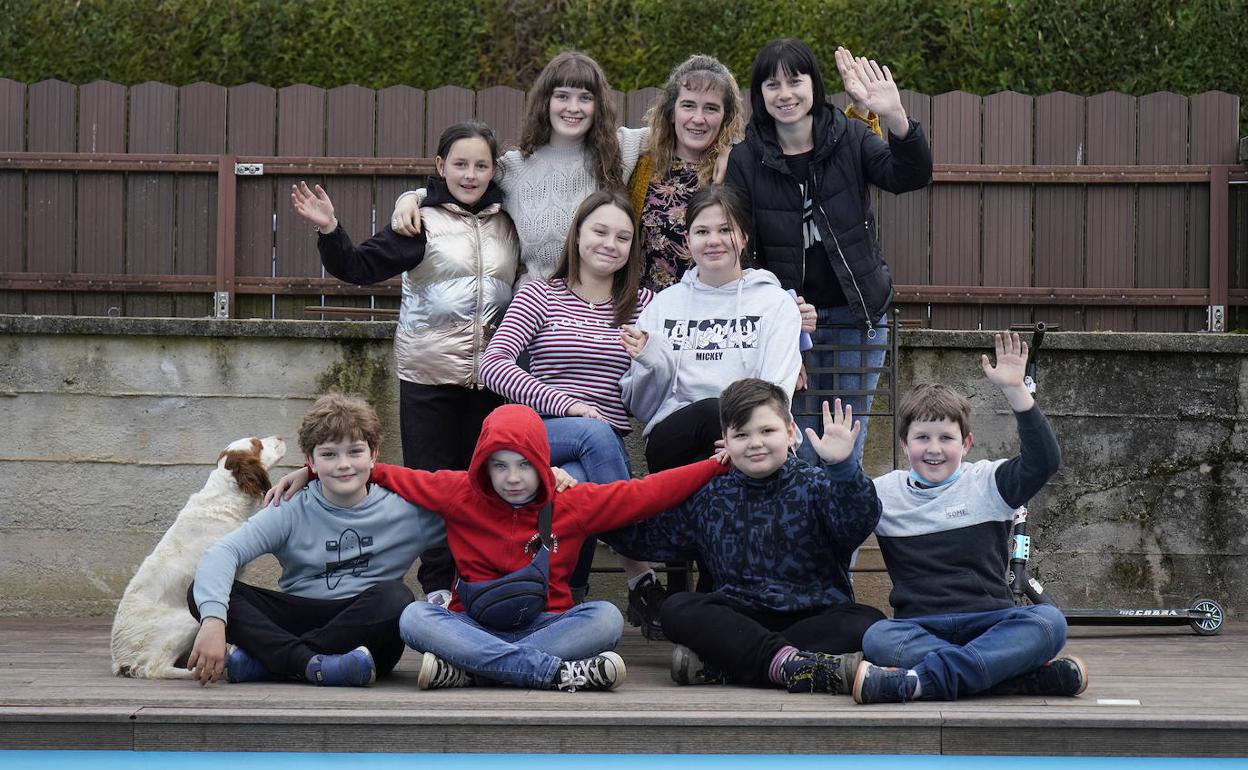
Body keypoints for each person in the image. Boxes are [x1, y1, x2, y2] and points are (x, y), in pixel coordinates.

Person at [266, 403, 730, 692]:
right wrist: (309, 471)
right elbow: (381, 471)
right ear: (482, 465)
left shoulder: (573, 504)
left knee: (605, 618)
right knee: (413, 615)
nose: (512, 478)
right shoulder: (457, 492)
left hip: (547, 623)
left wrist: (714, 465)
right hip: (474, 622)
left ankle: (471, 672)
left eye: (525, 466)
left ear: (543, 464)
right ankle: (547, 673)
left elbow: (647, 492)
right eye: (499, 465)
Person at [290, 121, 520, 607]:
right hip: (429, 380)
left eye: (481, 165)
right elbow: (358, 267)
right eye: (460, 164)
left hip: (494, 382)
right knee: (434, 490)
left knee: (488, 488)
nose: (470, 174)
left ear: (494, 169)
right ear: (441, 167)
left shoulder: (509, 223)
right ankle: (438, 589)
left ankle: (481, 586)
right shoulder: (421, 222)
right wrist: (331, 229)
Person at [724, 41, 933, 468]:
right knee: (790, 444)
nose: (785, 93)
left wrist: (894, 115)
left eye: (795, 80)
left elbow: (909, 175)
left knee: (843, 447)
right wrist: (782, 314)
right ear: (759, 94)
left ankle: (840, 538)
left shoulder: (849, 136)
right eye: (772, 84)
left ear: (814, 85)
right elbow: (740, 249)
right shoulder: (747, 158)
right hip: (786, 325)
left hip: (856, 317)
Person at [603, 378, 884, 694]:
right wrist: (581, 502)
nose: (755, 443)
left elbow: (857, 524)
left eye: (767, 431)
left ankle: (728, 666)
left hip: (815, 615)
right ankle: (794, 665)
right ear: (725, 440)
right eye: (741, 435)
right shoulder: (710, 495)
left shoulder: (817, 484)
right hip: (738, 618)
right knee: (677, 608)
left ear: (790, 432)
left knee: (869, 621)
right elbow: (645, 535)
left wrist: (844, 470)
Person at [852, 331, 1085, 704]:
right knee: (876, 636)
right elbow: (838, 513)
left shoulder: (989, 482)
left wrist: (1016, 393)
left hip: (990, 622)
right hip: (918, 626)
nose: (933, 449)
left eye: (946, 438)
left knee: (1048, 623)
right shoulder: (884, 493)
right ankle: (1013, 681)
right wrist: (838, 464)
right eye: (922, 437)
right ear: (903, 444)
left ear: (967, 443)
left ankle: (921, 682)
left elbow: (1044, 461)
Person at [618, 183, 802, 616]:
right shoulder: (664, 305)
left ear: (743, 237)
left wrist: (745, 436)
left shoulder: (775, 303)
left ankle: (711, 598)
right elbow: (642, 405)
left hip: (743, 441)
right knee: (709, 410)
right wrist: (651, 358)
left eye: (725, 229)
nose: (714, 240)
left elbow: (778, 382)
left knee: (727, 472)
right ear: (687, 241)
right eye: (702, 231)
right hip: (674, 439)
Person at [478, 189, 660, 614]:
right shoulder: (539, 295)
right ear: (577, 235)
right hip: (543, 432)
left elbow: (675, 366)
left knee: (575, 477)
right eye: (599, 231)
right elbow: (492, 365)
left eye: (622, 237)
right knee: (590, 435)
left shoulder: (646, 306)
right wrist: (568, 405)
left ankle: (562, 595)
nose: (609, 244)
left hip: (604, 450)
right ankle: (638, 567)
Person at [185, 394, 445, 687]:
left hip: (366, 635)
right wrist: (213, 620)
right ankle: (311, 664)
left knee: (397, 599)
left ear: (374, 455)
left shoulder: (407, 512)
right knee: (201, 591)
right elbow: (223, 553)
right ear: (310, 461)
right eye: (329, 455)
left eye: (355, 452)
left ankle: (274, 662)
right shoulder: (290, 507)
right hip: (300, 612)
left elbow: (470, 511)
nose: (343, 465)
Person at [628, 52, 879, 294]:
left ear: (726, 116)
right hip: (657, 316)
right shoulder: (642, 169)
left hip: (725, 319)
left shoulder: (745, 165)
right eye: (688, 105)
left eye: (711, 109)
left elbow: (825, 156)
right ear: (671, 112)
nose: (698, 118)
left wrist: (860, 110)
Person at [392, 51, 647, 286]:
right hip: (533, 314)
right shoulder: (514, 168)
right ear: (545, 101)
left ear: (598, 105)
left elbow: (677, 124)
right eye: (562, 96)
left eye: (585, 98)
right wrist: (409, 199)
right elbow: (462, 184)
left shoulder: (619, 150)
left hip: (599, 312)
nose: (573, 108)